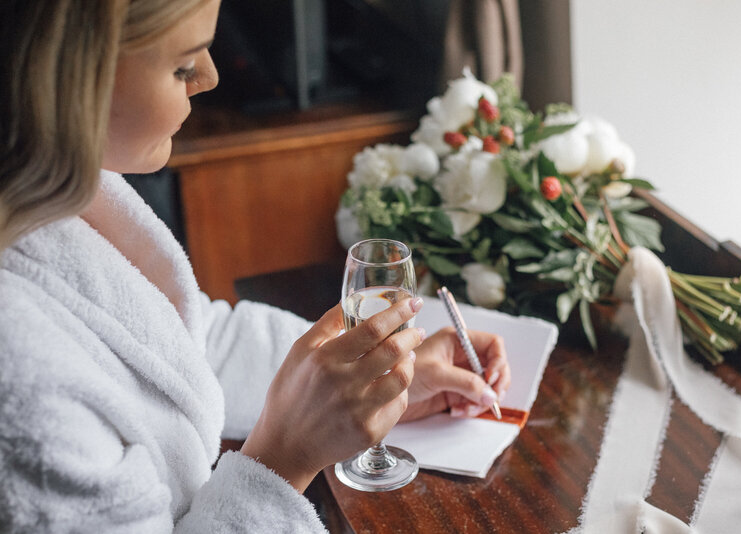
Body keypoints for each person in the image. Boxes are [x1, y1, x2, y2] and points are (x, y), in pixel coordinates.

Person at [0, 0, 510, 532]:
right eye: (182, 64)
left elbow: (179, 346)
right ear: (68, 75)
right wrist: (283, 460)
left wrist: (368, 380)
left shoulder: (47, 202)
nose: (210, 77)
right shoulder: (20, 379)